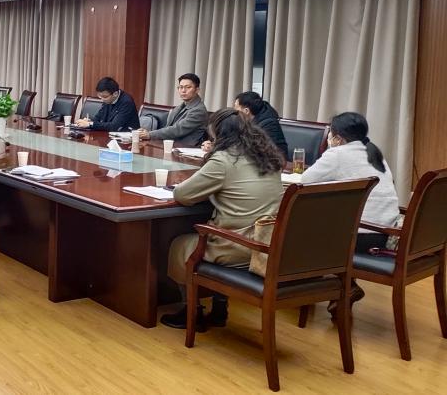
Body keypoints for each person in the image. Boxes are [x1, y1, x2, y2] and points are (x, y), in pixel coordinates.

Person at [160, 108, 285, 331]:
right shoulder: (269, 157)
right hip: (269, 246)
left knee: (181, 244)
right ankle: (219, 308)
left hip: (238, 247)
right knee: (224, 228)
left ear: (217, 133)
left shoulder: (224, 159)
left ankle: (192, 311)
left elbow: (183, 195)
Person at [301, 112, 400, 313]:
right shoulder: (374, 151)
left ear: (337, 138)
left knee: (303, 231)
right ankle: (344, 289)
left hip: (360, 235)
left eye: (331, 134)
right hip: (385, 233)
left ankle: (316, 290)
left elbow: (305, 180)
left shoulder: (337, 154)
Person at [139, 73, 208, 146]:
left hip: (185, 148)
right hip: (170, 145)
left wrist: (150, 134)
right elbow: (168, 127)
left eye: (188, 87)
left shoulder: (198, 110)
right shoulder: (180, 107)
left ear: (197, 90)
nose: (183, 90)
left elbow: (177, 130)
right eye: (181, 87)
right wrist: (145, 133)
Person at [226, 91, 289, 160]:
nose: (234, 111)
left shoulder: (269, 125)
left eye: (236, 107)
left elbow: (268, 153)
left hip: (272, 163)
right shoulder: (247, 121)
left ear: (246, 111)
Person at [75, 77, 140, 132]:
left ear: (115, 94)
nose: (102, 99)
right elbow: (98, 118)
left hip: (127, 138)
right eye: (100, 96)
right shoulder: (107, 100)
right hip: (109, 135)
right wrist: (89, 121)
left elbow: (114, 126)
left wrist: (90, 124)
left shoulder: (126, 102)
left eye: (104, 97)